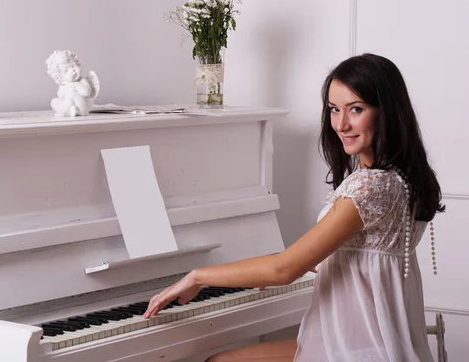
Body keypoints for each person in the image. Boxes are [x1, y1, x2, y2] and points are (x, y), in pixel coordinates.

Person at [143, 53, 445, 362]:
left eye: (356, 109)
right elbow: (341, 256)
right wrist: (258, 271)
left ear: (386, 112)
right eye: (333, 109)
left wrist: (197, 276)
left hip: (355, 352)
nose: (341, 124)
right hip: (369, 345)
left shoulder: (370, 187)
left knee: (219, 361)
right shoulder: (402, 180)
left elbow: (284, 269)